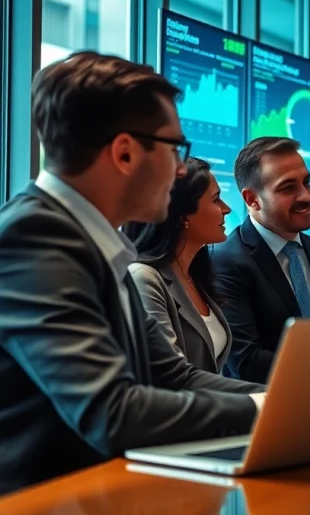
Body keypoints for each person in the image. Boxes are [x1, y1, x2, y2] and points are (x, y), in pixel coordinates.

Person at [0, 52, 264, 494]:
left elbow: (173, 376)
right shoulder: (36, 236)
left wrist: (293, 400)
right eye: (175, 149)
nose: (181, 169)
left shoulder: (95, 240)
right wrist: (270, 409)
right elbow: (112, 412)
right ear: (124, 152)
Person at [211, 137, 310, 384]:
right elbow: (246, 361)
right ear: (252, 199)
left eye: (306, 183)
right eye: (288, 187)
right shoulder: (225, 261)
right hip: (266, 411)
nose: (305, 196)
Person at [124, 157, 235, 374]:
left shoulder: (195, 275)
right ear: (183, 215)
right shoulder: (143, 278)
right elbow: (169, 376)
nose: (227, 209)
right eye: (216, 199)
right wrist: (257, 397)